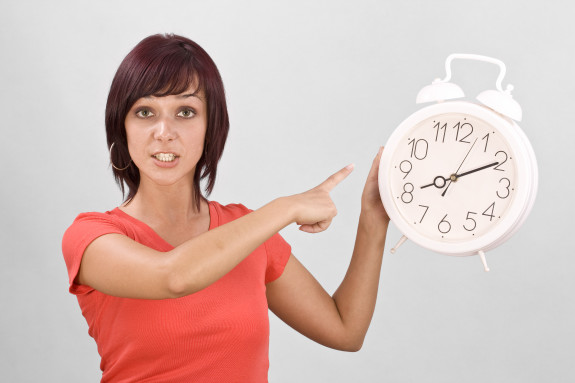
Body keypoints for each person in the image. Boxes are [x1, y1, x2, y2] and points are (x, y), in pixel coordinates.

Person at [62, 33, 390, 383]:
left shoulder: (248, 232)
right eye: (145, 112)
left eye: (185, 112)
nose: (164, 132)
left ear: (210, 127)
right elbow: (173, 277)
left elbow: (344, 330)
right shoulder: (91, 237)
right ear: (121, 126)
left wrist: (373, 220)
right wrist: (285, 207)